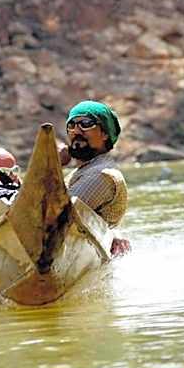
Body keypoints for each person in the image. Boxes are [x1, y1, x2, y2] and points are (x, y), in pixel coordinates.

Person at [64, 100, 132, 256]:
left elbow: (55, 215)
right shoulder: (83, 171)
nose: (77, 131)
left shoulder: (100, 175)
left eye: (86, 124)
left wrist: (52, 162)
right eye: (71, 125)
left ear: (105, 133)